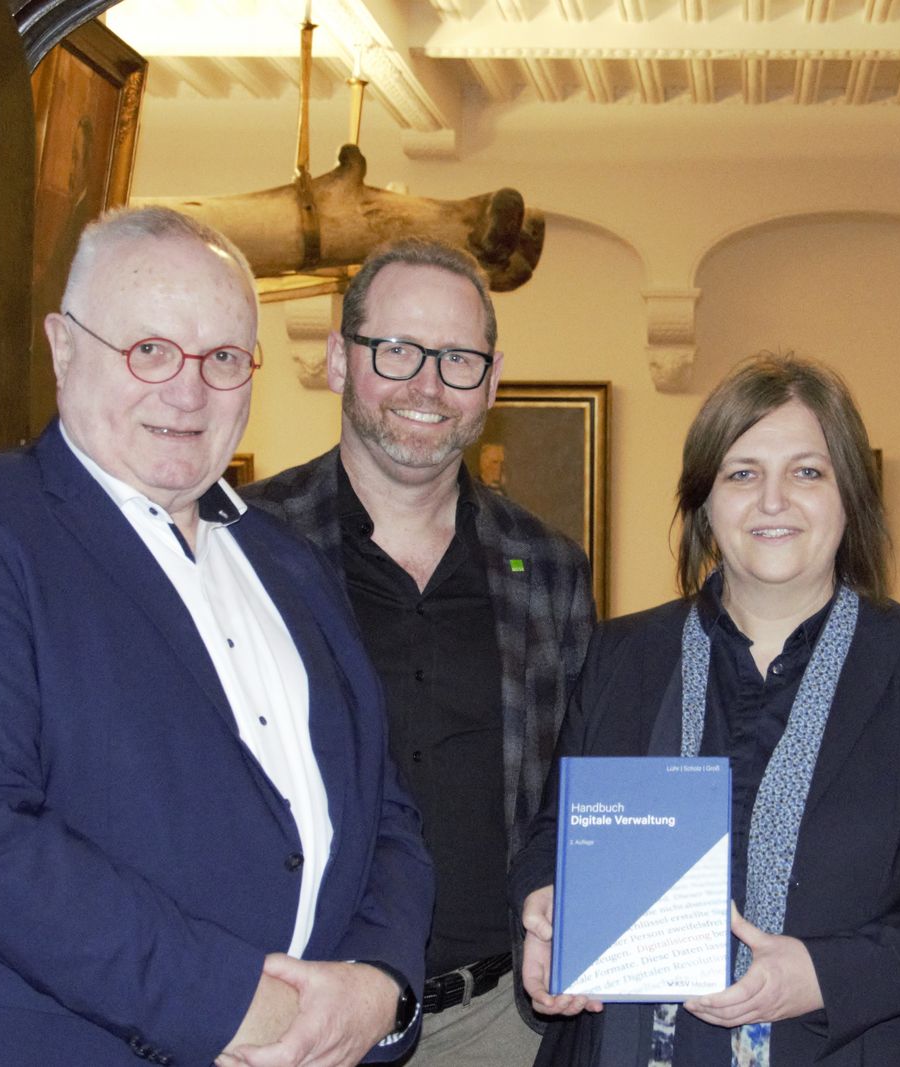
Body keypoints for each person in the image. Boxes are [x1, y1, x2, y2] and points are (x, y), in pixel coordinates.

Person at [0, 206, 434, 1067]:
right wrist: (240, 1005)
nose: (188, 391)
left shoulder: (288, 559)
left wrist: (379, 981)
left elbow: (383, 810)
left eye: (224, 359)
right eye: (149, 350)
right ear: (63, 346)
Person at [510, 354, 900, 1066]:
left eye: (807, 472)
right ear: (704, 502)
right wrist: (545, 910)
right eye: (743, 472)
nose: (773, 500)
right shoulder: (623, 654)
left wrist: (823, 973)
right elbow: (554, 833)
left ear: (851, 494)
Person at [243, 239, 596, 1066]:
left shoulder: (549, 568)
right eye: (396, 349)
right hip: (298, 1011)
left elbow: (574, 792)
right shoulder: (243, 544)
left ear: (493, 379)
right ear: (338, 359)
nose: (427, 385)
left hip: (500, 1024)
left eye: (458, 358)